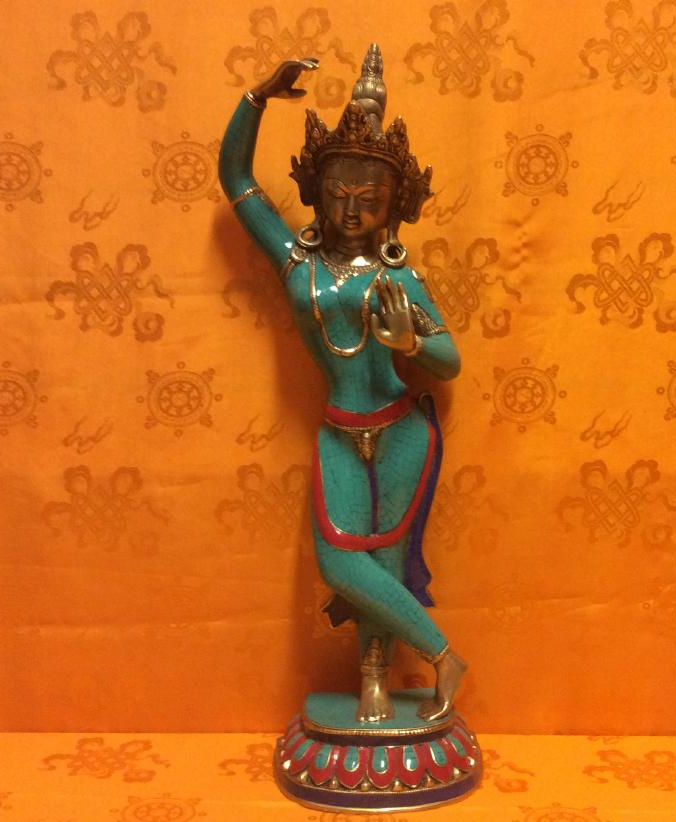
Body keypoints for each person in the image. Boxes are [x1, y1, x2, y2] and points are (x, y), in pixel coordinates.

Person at [218, 44, 465, 723]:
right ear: (318, 192)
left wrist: (410, 342)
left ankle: (373, 678)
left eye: (370, 198)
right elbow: (236, 179)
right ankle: (444, 655)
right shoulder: (296, 262)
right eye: (338, 194)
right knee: (340, 563)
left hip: (401, 430)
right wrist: (256, 98)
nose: (352, 210)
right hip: (339, 428)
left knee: (383, 565)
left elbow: (450, 359)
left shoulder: (398, 278)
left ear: (395, 204)